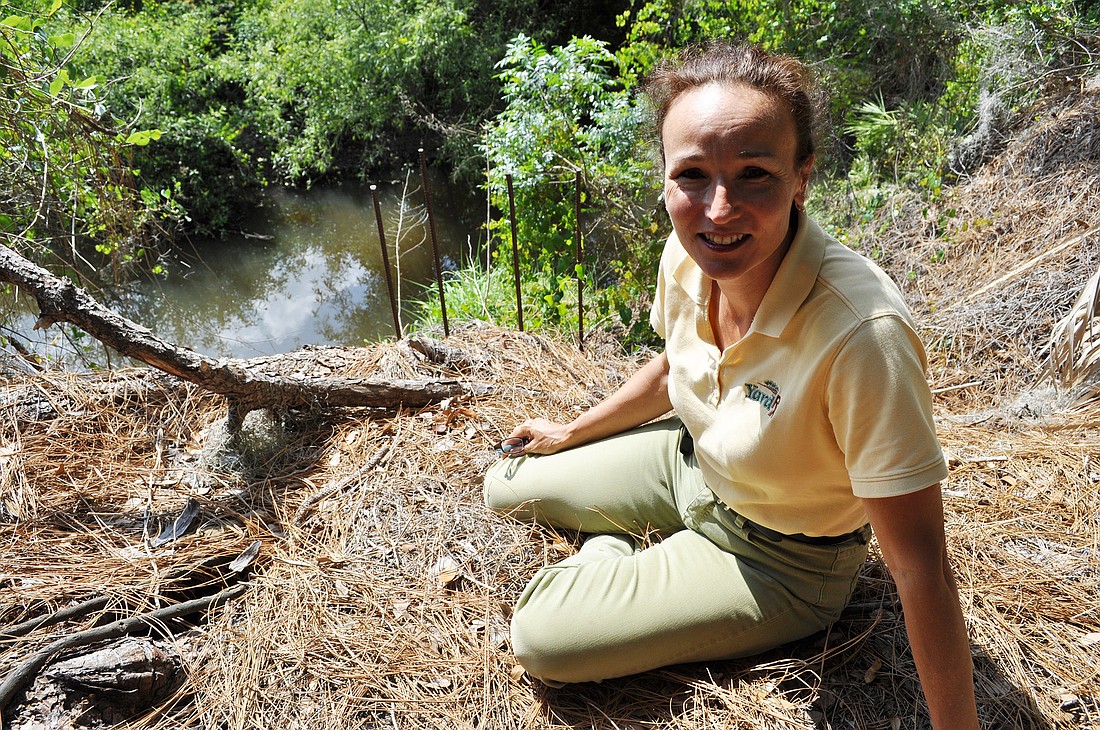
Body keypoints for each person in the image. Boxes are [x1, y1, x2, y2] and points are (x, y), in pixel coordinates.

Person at [484, 41, 979, 728]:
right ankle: (635, 543)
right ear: (664, 178)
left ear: (801, 177)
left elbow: (919, 562)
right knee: (505, 483)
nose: (718, 210)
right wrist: (573, 431)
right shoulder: (688, 256)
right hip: (691, 467)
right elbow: (676, 366)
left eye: (754, 174)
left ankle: (622, 554)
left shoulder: (862, 334)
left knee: (545, 640)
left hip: (779, 558)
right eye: (692, 175)